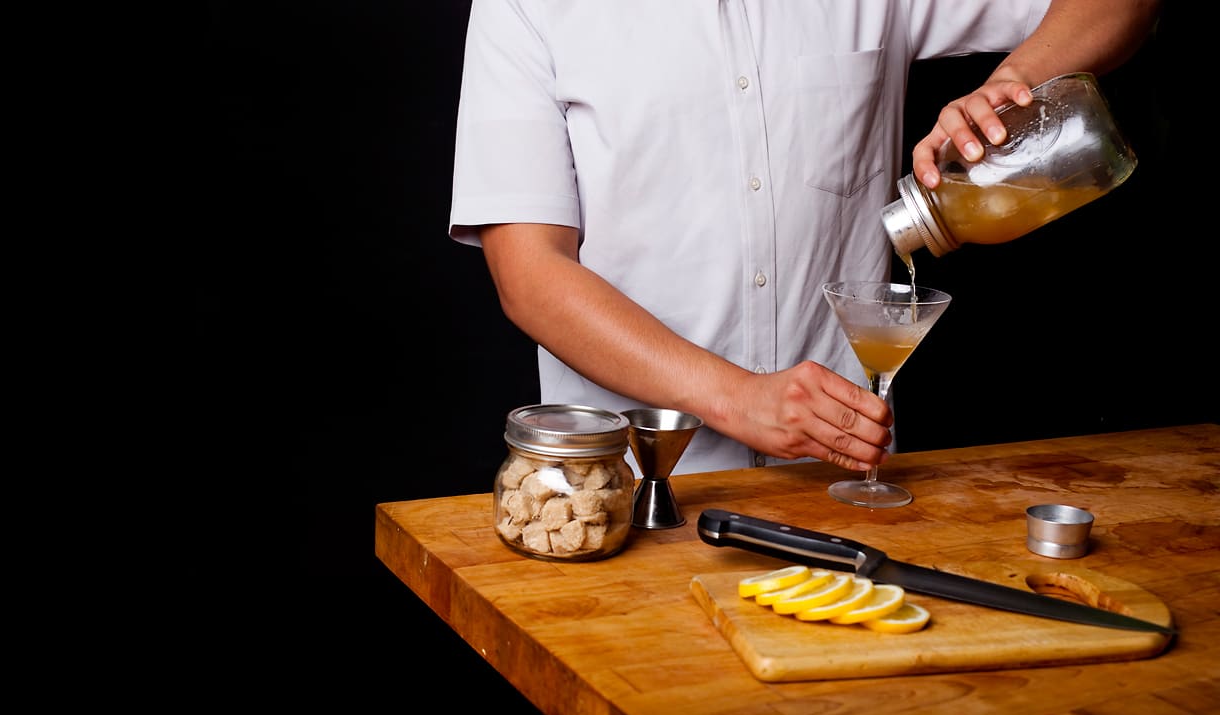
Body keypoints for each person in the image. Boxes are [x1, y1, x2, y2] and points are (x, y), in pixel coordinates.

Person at [449, 0, 1160, 475]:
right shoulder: (526, 8)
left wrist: (1014, 82)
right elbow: (531, 276)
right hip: (625, 495)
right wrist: (736, 398)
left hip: (840, 493)